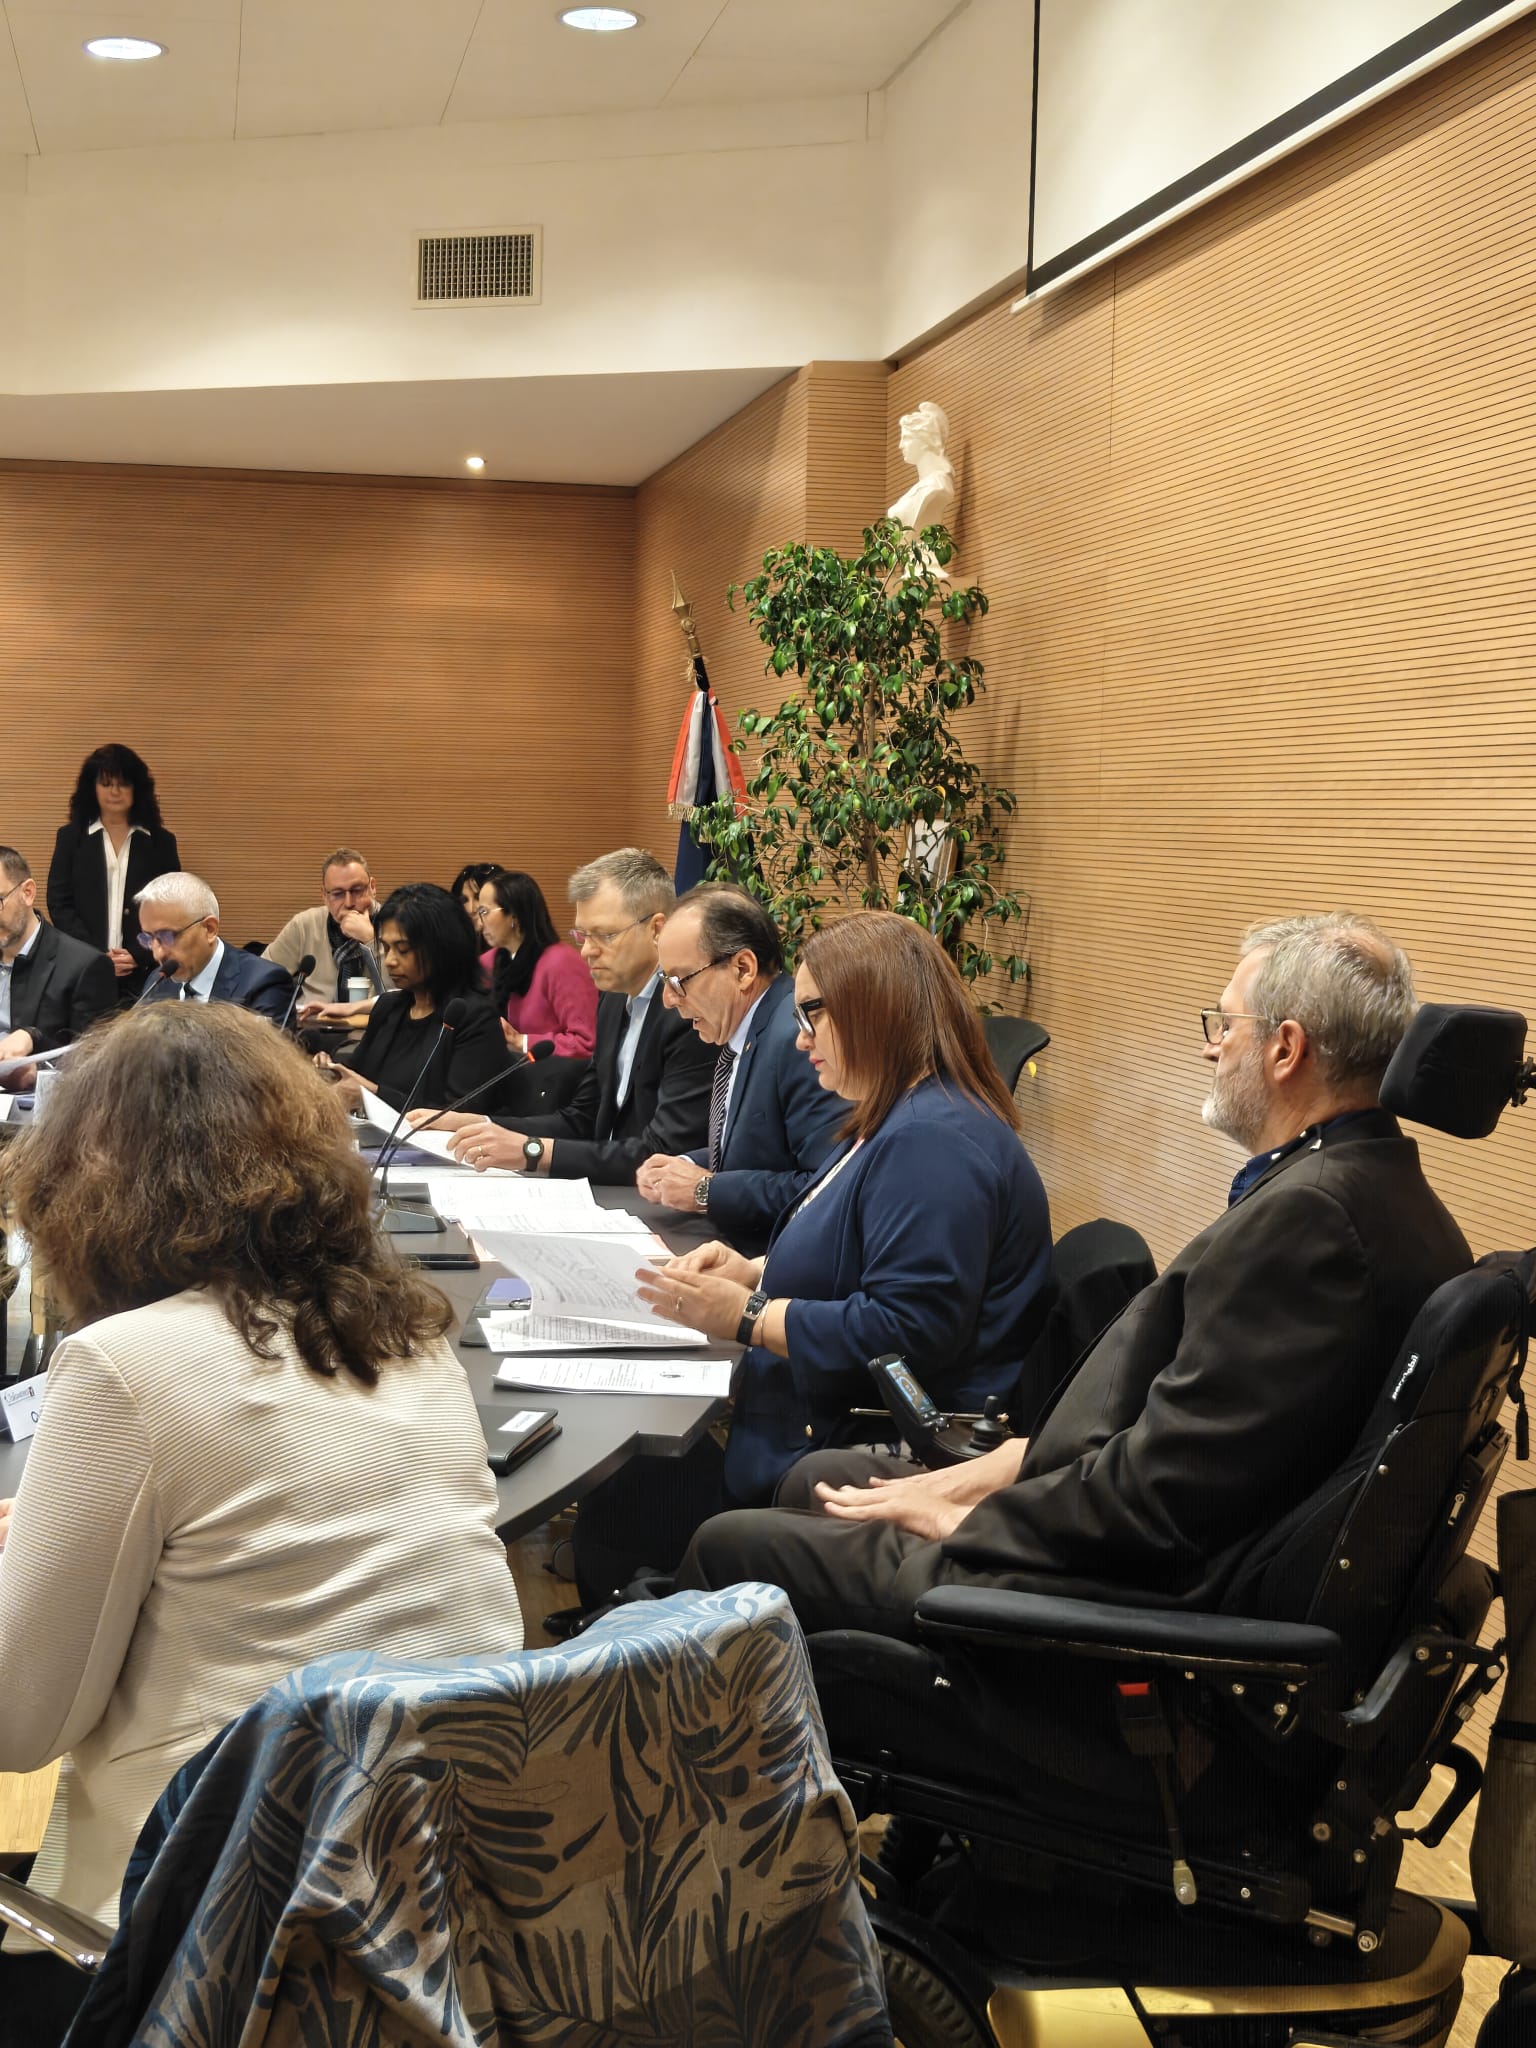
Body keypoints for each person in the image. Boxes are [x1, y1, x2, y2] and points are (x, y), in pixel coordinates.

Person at [674, 913, 1474, 1645]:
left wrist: (972, 1517)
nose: (1211, 1048)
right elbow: (1182, 1443)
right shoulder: (1378, 1194)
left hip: (1112, 1600)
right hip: (1106, 1524)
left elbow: (1163, 1496)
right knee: (818, 1481)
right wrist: (989, 1473)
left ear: (1285, 1049)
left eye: (1224, 1024)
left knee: (728, 1545)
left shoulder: (1311, 1223)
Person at [0, 1003, 525, 2045]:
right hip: (440, 1894)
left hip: (204, 1933)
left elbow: (19, 1723)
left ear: (87, 1182)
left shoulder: (122, 1366)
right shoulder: (414, 1336)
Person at [563, 910, 1052, 1611]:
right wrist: (755, 1270)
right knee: (630, 1487)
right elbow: (856, 1249)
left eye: (812, 1014)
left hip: (862, 1434)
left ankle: (656, 1638)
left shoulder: (934, 1141)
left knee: (634, 1496)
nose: (799, 1039)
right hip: (807, 1413)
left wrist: (750, 1316)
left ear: (876, 1005)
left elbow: (909, 1330)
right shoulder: (896, 1114)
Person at [437, 849, 713, 1181]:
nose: (586, 951)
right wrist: (481, 1124)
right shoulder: (613, 999)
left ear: (656, 929)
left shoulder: (688, 1013)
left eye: (605, 935)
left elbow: (662, 1151)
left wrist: (531, 1151)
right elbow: (583, 1118)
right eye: (582, 935)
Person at [635, 884, 848, 1255]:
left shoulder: (797, 1040)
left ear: (743, 969)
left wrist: (706, 1190)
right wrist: (685, 1166)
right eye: (664, 982)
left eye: (679, 981)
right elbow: (762, 1149)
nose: (668, 1000)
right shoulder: (753, 1028)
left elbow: (827, 1187)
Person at [319, 881, 508, 1114]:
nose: (390, 961)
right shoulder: (389, 1007)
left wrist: (371, 1095)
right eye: (386, 948)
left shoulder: (475, 1018)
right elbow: (357, 1074)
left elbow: (458, 1114)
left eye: (403, 950)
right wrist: (332, 1071)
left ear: (442, 948)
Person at [45, 744, 180, 1004]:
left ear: (137, 788)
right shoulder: (71, 838)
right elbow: (60, 903)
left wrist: (138, 953)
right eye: (106, 784)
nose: (115, 792)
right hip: (83, 970)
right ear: (92, 788)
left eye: (123, 784)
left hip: (144, 972)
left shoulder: (161, 842)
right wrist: (96, 955)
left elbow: (172, 908)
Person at [0, 846, 116, 1087]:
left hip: (38, 1104)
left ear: (27, 892)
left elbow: (97, 1064)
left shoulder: (85, 966)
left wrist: (38, 1068)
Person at [474, 867, 597, 1060]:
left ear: (513, 915)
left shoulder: (561, 962)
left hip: (552, 1074)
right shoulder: (492, 960)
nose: (480, 924)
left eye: (484, 911)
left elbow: (586, 1043)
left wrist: (521, 1042)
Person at [136, 873, 292, 1022]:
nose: (157, 954)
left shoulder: (263, 983)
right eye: (148, 938)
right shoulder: (157, 983)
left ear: (209, 929)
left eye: (167, 936)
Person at [263, 845, 383, 1020]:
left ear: (372, 887)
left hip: (375, 1027)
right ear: (324, 896)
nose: (349, 902)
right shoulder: (305, 925)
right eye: (338, 894)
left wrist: (370, 939)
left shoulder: (398, 926)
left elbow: (404, 993)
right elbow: (261, 978)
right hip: (311, 1025)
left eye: (357, 890)